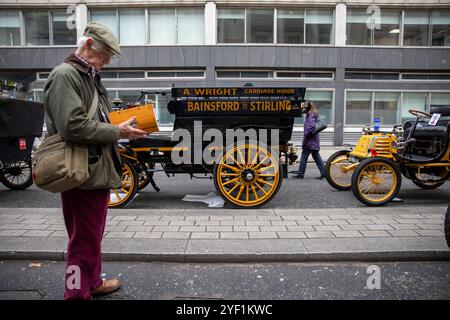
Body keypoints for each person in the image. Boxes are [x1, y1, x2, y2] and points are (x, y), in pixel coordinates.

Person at [44, 22, 147, 300]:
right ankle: (76, 293)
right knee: (82, 240)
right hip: (81, 170)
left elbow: (92, 120)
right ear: (88, 45)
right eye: (105, 55)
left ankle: (93, 282)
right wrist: (118, 131)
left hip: (92, 168)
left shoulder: (86, 75)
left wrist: (120, 125)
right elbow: (72, 126)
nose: (107, 62)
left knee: (91, 235)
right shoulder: (66, 75)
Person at [293, 101, 326, 179]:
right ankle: (324, 173)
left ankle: (301, 173)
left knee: (304, 156)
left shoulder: (310, 115)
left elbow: (311, 127)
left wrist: (306, 135)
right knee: (316, 156)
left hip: (310, 141)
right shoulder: (313, 114)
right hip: (313, 140)